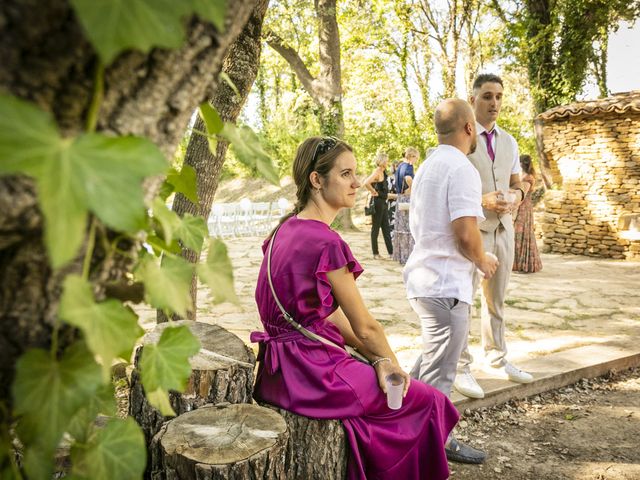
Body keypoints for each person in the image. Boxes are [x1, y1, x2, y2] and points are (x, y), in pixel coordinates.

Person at [251, 136, 459, 480]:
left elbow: (324, 314)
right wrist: (394, 367)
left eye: (356, 173)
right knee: (429, 401)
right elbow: (365, 327)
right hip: (313, 374)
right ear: (316, 180)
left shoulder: (282, 230)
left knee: (375, 413)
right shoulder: (326, 241)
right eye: (346, 174)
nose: (356, 182)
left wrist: (377, 359)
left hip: (277, 372)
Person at [405, 99, 499, 464]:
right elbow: (465, 231)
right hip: (444, 284)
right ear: (469, 128)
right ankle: (427, 451)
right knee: (438, 377)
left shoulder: (429, 165)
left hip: (427, 278)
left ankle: (400, 431)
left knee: (425, 368)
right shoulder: (461, 167)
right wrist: (482, 259)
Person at [454, 73, 534, 400]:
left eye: (499, 96)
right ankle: (460, 366)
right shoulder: (459, 140)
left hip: (504, 231)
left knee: (496, 300)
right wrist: (481, 201)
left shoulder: (510, 142)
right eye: (487, 96)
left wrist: (517, 196)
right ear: (473, 101)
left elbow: (520, 183)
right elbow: (448, 189)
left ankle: (497, 358)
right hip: (473, 231)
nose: (495, 103)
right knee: (464, 299)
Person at [513, 154, 543, 273]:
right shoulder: (525, 176)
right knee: (520, 232)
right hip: (524, 206)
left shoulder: (528, 178)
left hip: (523, 207)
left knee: (520, 232)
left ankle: (522, 263)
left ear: (521, 163)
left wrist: (514, 205)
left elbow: (522, 194)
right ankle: (519, 263)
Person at [363, 152, 395, 259]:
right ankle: (375, 253)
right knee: (375, 228)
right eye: (386, 160)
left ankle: (391, 253)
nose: (387, 162)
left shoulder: (383, 172)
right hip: (377, 203)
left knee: (386, 228)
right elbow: (366, 182)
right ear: (382, 161)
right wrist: (373, 191)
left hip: (383, 203)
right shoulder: (377, 171)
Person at [392, 147, 419, 264]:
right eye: (416, 158)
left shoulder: (400, 166)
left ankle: (400, 256)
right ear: (411, 156)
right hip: (407, 199)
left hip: (400, 198)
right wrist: (414, 189)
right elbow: (408, 178)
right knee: (409, 228)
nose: (416, 160)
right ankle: (407, 256)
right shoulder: (408, 166)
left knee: (400, 229)